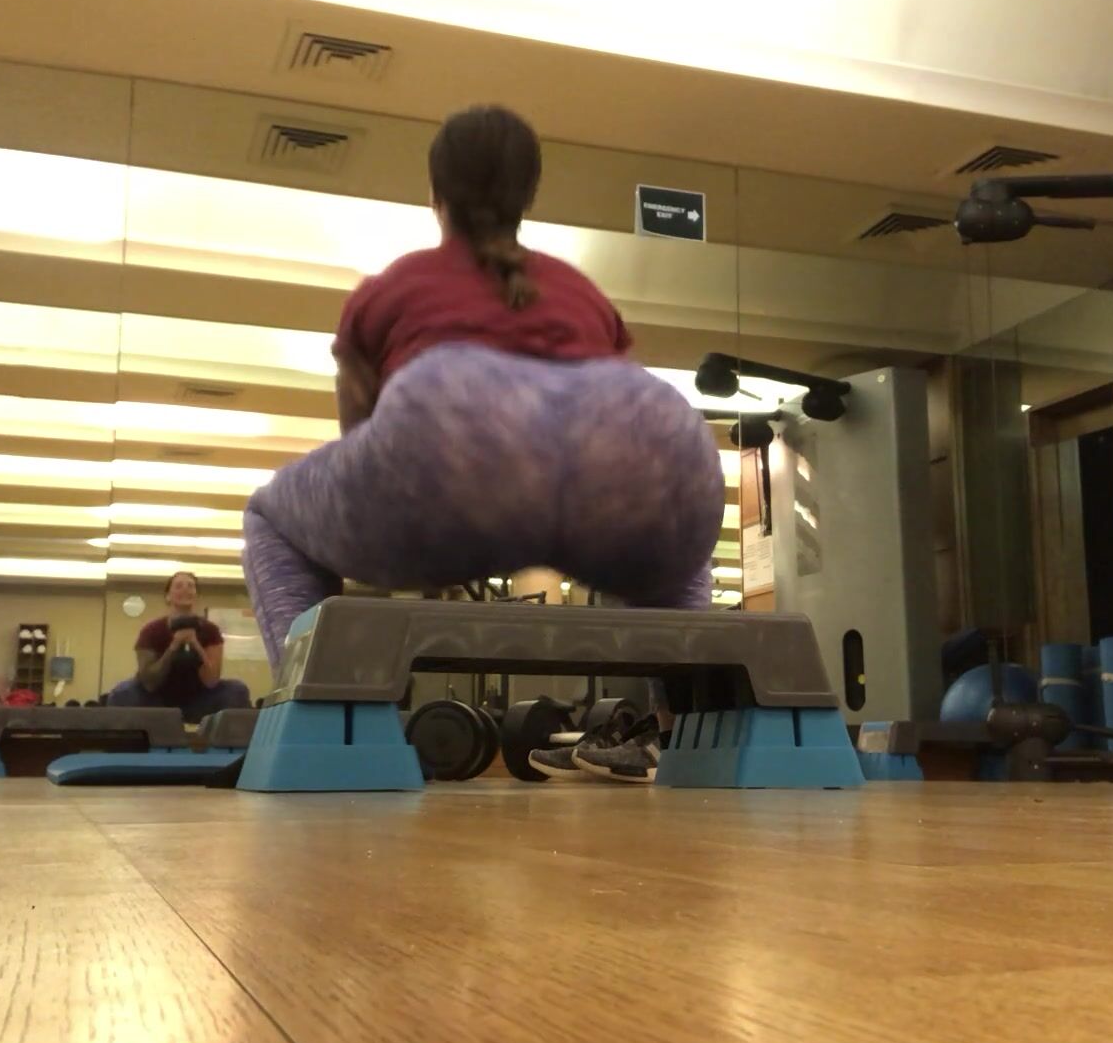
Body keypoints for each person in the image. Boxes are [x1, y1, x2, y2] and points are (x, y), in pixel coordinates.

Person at [240, 104, 724, 782]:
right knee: (678, 554)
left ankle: (316, 724)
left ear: (435, 195)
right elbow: (606, 427)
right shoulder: (583, 292)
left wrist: (437, 520)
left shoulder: (393, 287)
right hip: (638, 436)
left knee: (269, 516)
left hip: (454, 432)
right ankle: (687, 731)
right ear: (529, 195)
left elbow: (363, 444)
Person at [109, 571, 251, 722]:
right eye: (178, 586)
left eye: (190, 586)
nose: (185, 589)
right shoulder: (151, 631)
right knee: (122, 693)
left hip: (199, 697)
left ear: (196, 595)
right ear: (168, 596)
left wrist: (195, 644)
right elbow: (149, 683)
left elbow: (211, 681)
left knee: (237, 690)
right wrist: (173, 646)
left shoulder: (210, 630)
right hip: (157, 697)